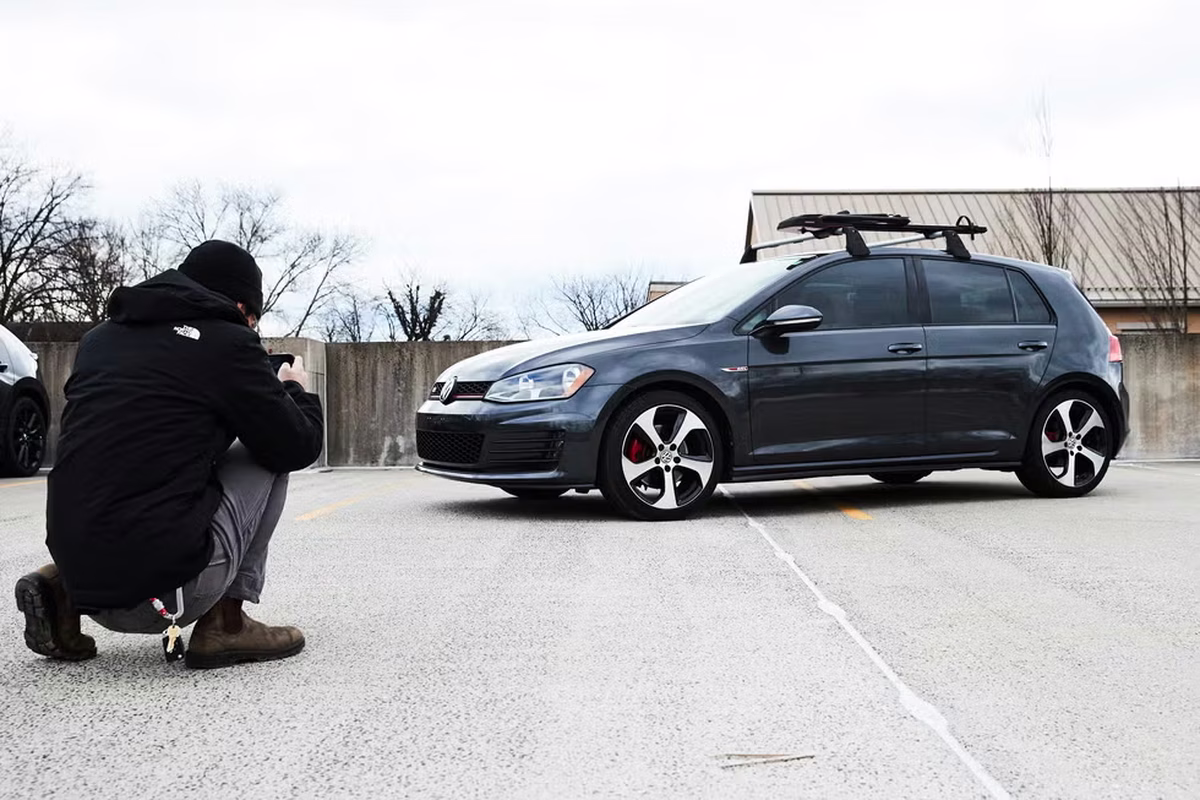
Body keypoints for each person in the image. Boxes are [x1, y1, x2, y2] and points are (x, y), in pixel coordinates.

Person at [14, 240, 324, 669]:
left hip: (85, 580)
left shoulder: (98, 341)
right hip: (169, 596)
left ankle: (61, 593)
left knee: (135, 461)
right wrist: (294, 390)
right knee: (268, 454)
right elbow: (297, 446)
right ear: (239, 305)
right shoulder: (229, 343)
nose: (251, 328)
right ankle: (226, 623)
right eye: (252, 319)